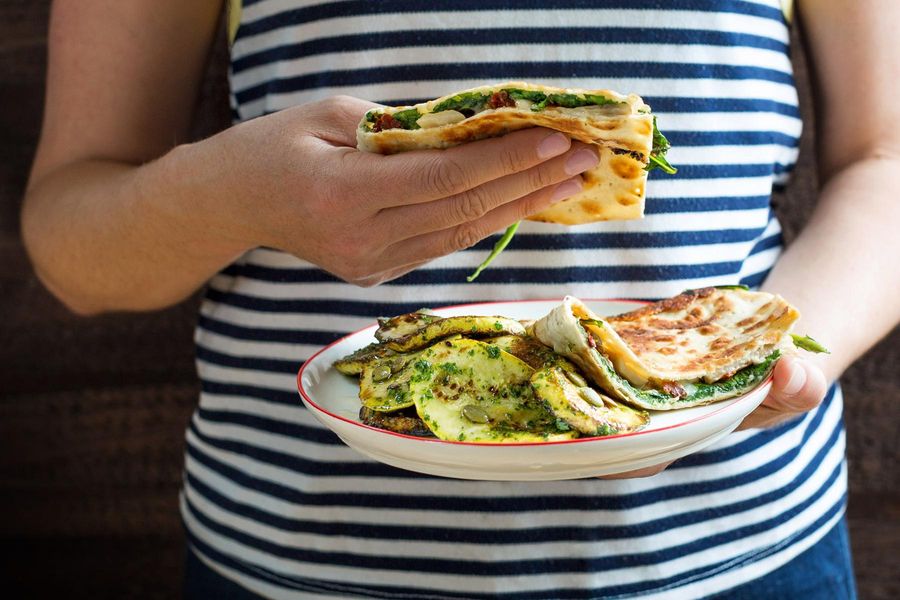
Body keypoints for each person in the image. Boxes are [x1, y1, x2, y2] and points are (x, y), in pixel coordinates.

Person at [21, 0, 899, 597]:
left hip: (737, 551)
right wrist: (232, 198)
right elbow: (71, 242)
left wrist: (731, 356)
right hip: (303, 560)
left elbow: (887, 158)